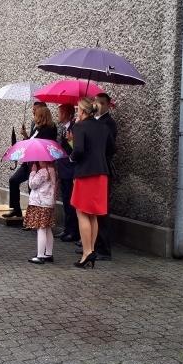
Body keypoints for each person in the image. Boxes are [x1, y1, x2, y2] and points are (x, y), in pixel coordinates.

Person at [69, 97, 116, 269]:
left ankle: (87, 252)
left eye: (77, 110)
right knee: (94, 214)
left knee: (82, 213)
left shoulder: (79, 126)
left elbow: (78, 150)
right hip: (102, 173)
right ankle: (92, 250)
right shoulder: (103, 126)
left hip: (85, 174)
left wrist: (71, 156)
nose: (76, 113)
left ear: (82, 111)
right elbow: (112, 148)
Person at [4, 102, 57, 219]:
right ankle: (16, 209)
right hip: (29, 163)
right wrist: (25, 136)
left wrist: (28, 138)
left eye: (36, 111)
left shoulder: (49, 129)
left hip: (38, 165)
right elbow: (31, 144)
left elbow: (40, 147)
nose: (34, 113)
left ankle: (32, 217)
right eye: (33, 110)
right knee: (13, 180)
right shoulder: (35, 126)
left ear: (42, 113)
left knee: (32, 188)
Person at [94, 92, 118, 260]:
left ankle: (104, 248)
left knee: (102, 210)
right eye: (97, 102)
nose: (99, 106)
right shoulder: (94, 122)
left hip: (102, 169)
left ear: (108, 105)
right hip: (94, 170)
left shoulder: (109, 123)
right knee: (93, 209)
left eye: (102, 103)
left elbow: (110, 148)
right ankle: (93, 245)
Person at [25, 161, 58, 264]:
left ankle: (40, 256)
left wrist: (33, 172)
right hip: (49, 205)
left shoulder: (43, 172)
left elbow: (32, 184)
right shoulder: (54, 172)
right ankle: (48, 254)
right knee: (48, 228)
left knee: (41, 229)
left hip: (40, 204)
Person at [55, 103, 80, 242]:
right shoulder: (64, 128)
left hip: (70, 171)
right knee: (65, 201)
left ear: (64, 114)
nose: (57, 115)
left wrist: (70, 141)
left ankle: (72, 231)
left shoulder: (73, 128)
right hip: (64, 170)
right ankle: (66, 228)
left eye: (59, 112)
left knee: (70, 202)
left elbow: (76, 149)